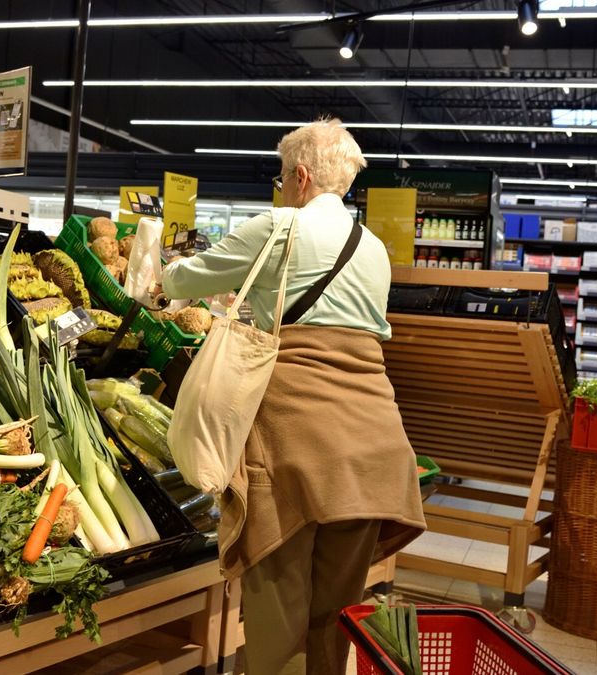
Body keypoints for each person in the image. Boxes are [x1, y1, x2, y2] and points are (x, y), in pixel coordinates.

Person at [161, 118, 427, 674]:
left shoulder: (279, 226)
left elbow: (183, 283)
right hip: (373, 449)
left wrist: (159, 265)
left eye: (282, 177)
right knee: (334, 614)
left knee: (278, 615)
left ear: (301, 176)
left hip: (295, 445)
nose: (280, 187)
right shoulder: (375, 248)